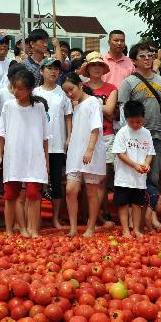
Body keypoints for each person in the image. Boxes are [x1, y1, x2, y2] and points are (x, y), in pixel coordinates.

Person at [117, 43, 161, 230]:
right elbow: (122, 110)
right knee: (134, 177)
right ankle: (135, 220)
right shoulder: (128, 82)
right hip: (134, 137)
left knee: (152, 177)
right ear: (133, 60)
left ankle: (151, 216)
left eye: (150, 55)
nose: (147, 58)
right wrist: (127, 137)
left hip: (156, 135)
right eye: (142, 56)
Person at [0, 72, 49, 237]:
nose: (15, 92)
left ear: (31, 89)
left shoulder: (39, 107)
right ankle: (10, 229)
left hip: (34, 155)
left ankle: (32, 229)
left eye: (20, 88)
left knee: (33, 193)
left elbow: (46, 136)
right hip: (14, 155)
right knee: (11, 194)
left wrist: (46, 159)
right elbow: (1, 133)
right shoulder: (8, 106)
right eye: (14, 87)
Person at [61, 73, 106, 237]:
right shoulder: (77, 105)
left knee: (91, 191)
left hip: (89, 151)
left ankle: (91, 227)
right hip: (75, 151)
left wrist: (90, 149)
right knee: (70, 190)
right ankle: (73, 227)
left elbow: (95, 128)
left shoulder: (93, 102)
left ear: (80, 85)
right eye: (66, 92)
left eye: (71, 89)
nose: (69, 94)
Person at [79, 52, 118, 224]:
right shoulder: (80, 86)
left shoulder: (112, 88)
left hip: (106, 136)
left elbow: (110, 111)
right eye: (93, 65)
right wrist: (98, 104)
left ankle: (97, 217)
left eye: (99, 65)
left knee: (101, 180)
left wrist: (89, 102)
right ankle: (85, 215)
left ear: (103, 68)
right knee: (82, 181)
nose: (96, 68)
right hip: (83, 137)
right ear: (87, 68)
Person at [35, 58, 73, 229]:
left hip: (57, 145)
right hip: (36, 145)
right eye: (49, 68)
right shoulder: (34, 92)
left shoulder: (62, 93)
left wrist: (69, 137)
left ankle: (56, 218)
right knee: (35, 182)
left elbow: (68, 116)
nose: (53, 72)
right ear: (41, 71)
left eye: (56, 69)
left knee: (57, 182)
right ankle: (35, 218)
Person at [112, 100, 156, 237]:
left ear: (143, 117)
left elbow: (150, 152)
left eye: (139, 122)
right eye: (132, 122)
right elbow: (119, 153)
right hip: (124, 177)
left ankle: (136, 229)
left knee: (138, 204)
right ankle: (125, 229)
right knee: (123, 204)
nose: (136, 125)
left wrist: (147, 164)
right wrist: (134, 165)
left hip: (139, 178)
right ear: (126, 119)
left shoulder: (146, 133)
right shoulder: (122, 133)